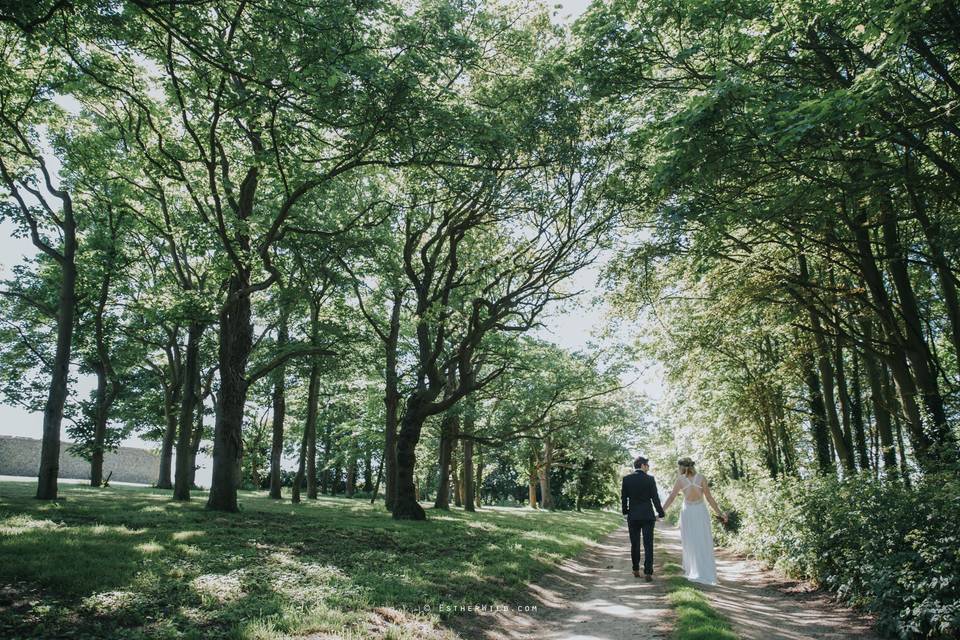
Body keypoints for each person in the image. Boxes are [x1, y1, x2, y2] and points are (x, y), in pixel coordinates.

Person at [661, 457, 728, 585]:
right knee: (703, 539)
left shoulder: (680, 480)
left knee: (690, 541)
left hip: (688, 512)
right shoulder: (701, 478)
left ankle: (694, 570)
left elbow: (671, 497)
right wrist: (720, 513)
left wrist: (661, 511)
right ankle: (705, 571)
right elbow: (709, 498)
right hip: (701, 511)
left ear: (681, 467)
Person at [620, 455, 665, 581]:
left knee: (635, 543)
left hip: (633, 516)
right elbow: (655, 498)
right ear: (642, 465)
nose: (649, 468)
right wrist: (660, 512)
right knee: (648, 544)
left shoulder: (627, 479)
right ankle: (648, 572)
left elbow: (624, 498)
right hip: (647, 516)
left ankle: (635, 569)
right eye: (647, 465)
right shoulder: (650, 479)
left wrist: (626, 511)